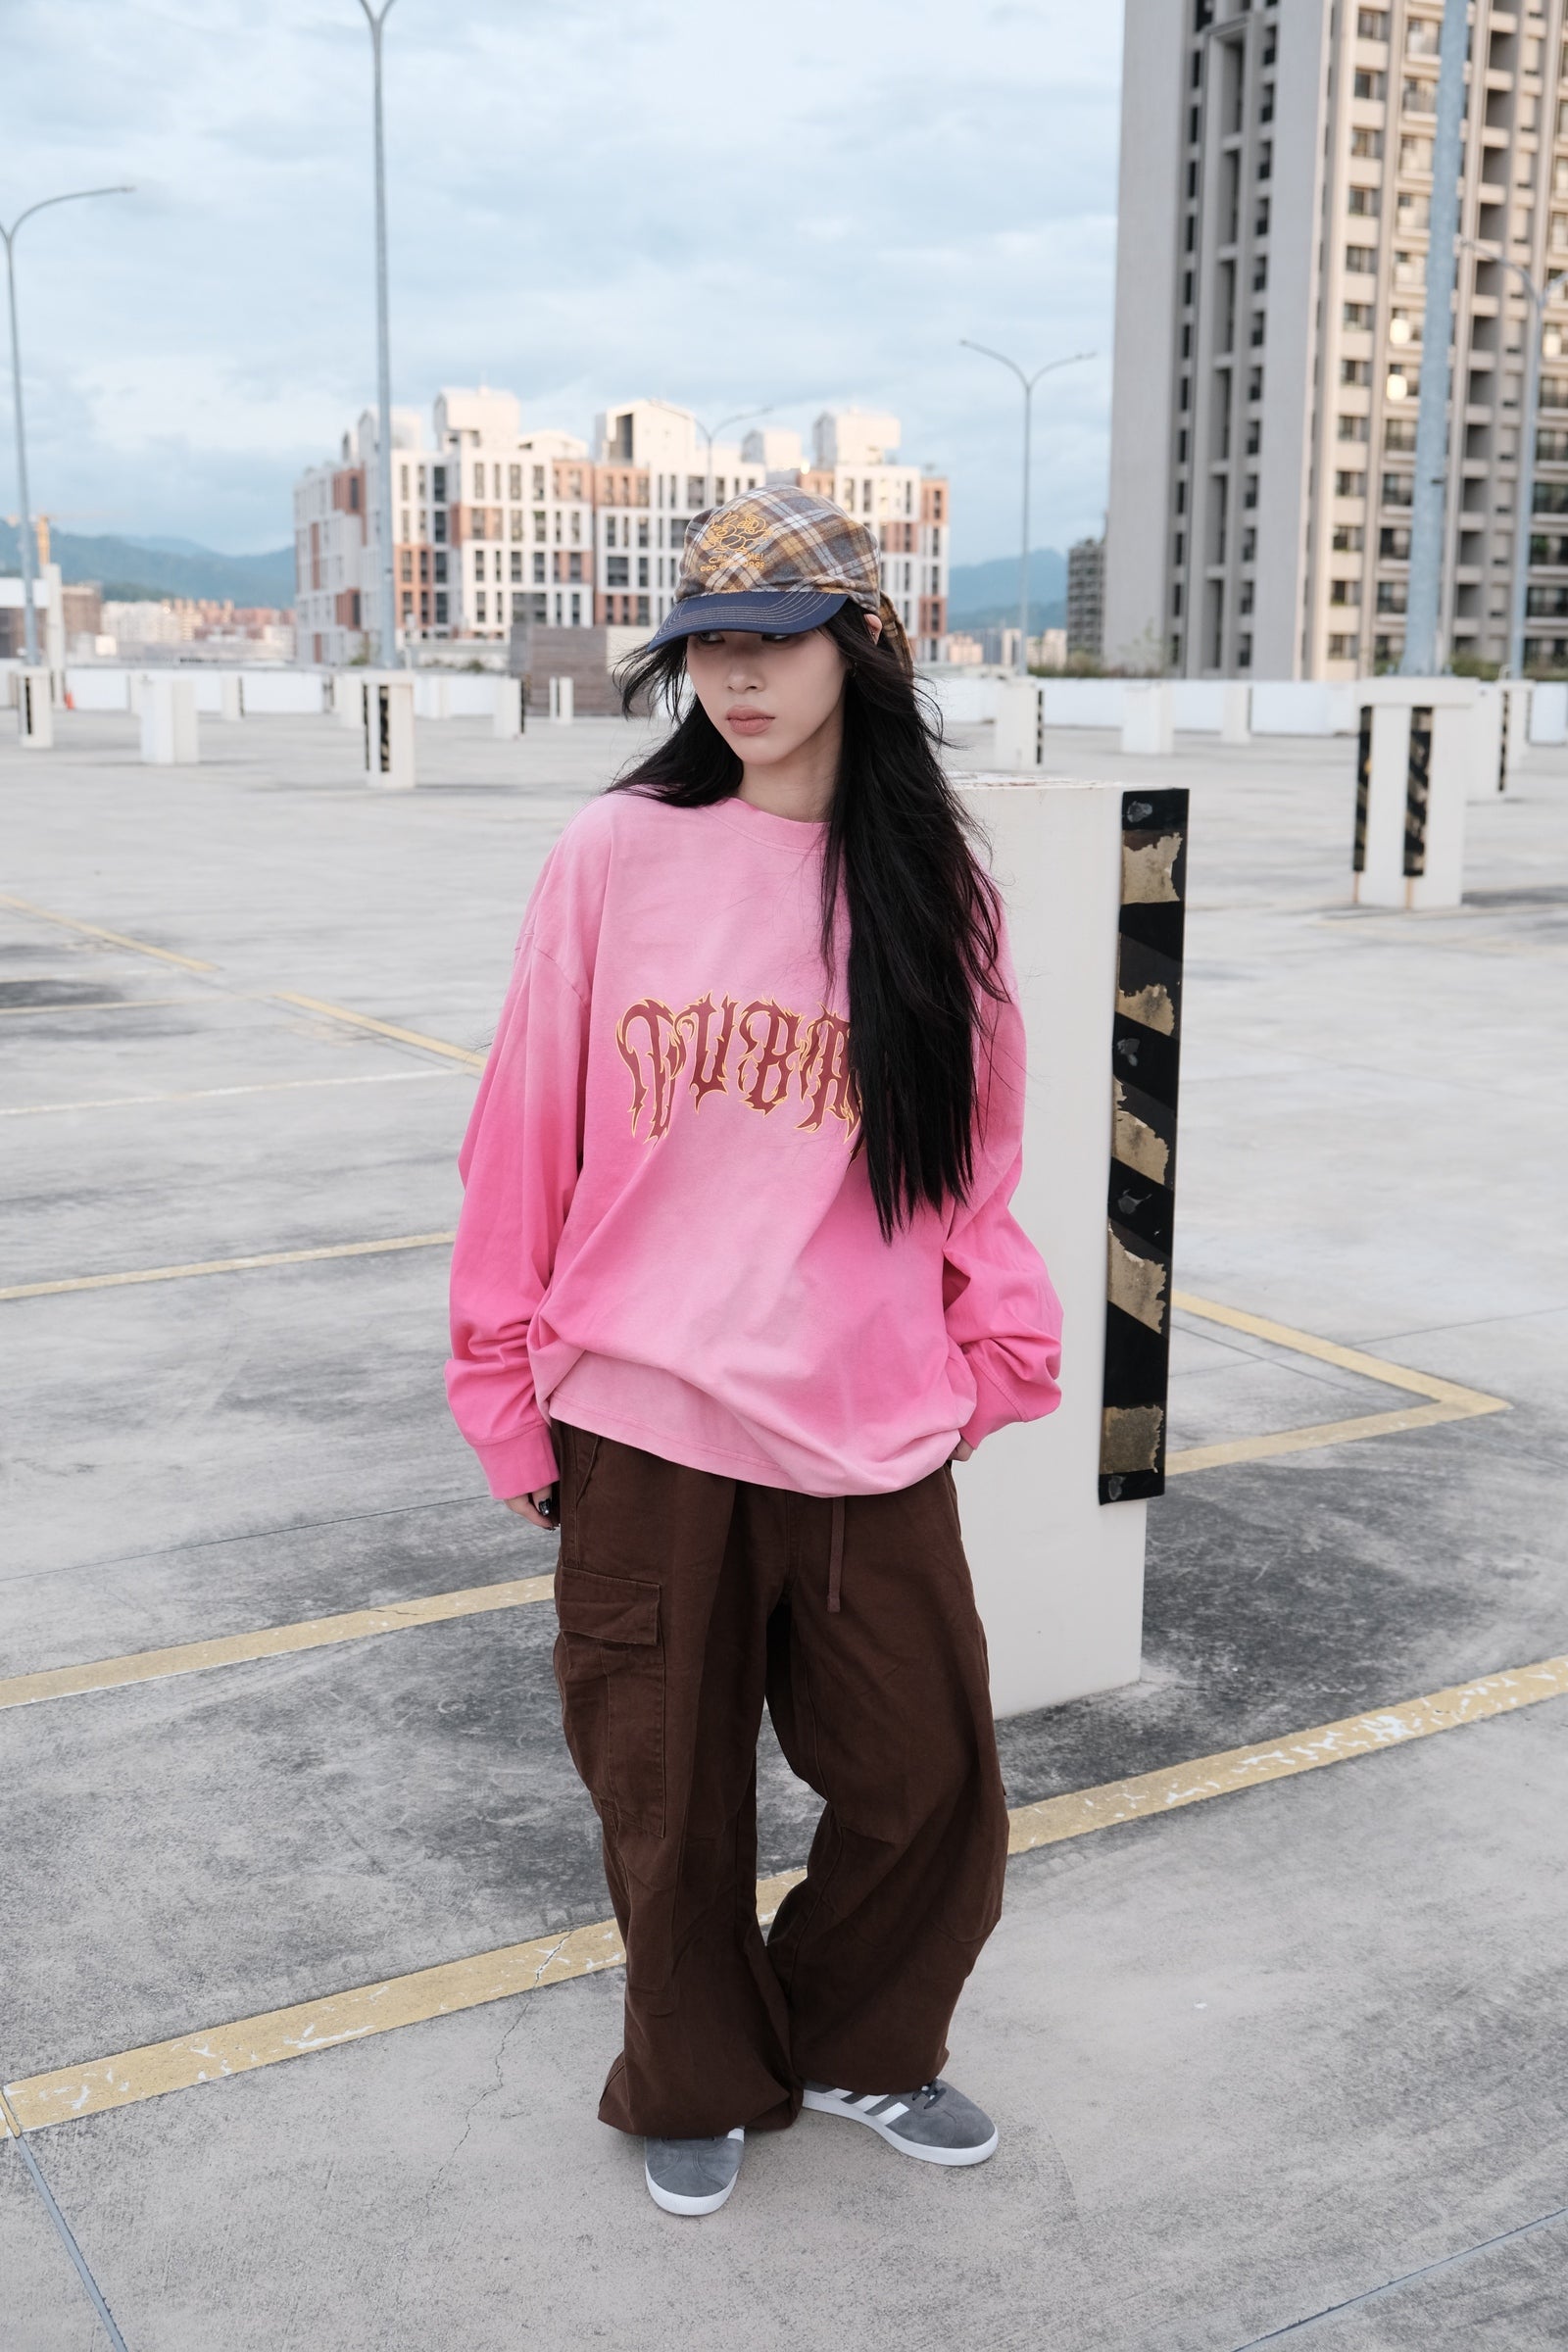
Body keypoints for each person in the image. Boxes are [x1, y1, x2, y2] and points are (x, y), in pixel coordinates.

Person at [446, 485, 1062, 2217]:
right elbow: (523, 1135)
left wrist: (995, 1345)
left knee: (929, 1779)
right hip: (641, 1413)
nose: (736, 678)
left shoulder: (934, 883)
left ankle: (861, 2039)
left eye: (773, 643)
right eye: (709, 645)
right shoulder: (616, 855)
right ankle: (699, 2073)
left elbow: (976, 1157)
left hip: (865, 1419)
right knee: (670, 1794)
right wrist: (502, 1391)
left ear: (860, 648)